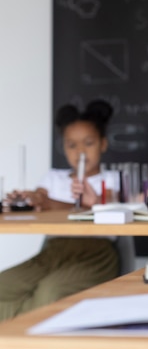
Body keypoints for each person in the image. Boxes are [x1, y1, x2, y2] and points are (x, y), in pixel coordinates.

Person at [0, 100, 121, 321]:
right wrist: (28, 199)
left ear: (103, 144)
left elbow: (110, 202)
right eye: (71, 145)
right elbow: (40, 198)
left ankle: (21, 330)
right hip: (53, 252)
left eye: (88, 143)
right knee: (3, 286)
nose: (80, 152)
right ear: (63, 147)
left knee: (50, 292)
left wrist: (89, 201)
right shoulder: (53, 178)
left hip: (94, 253)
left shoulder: (110, 180)